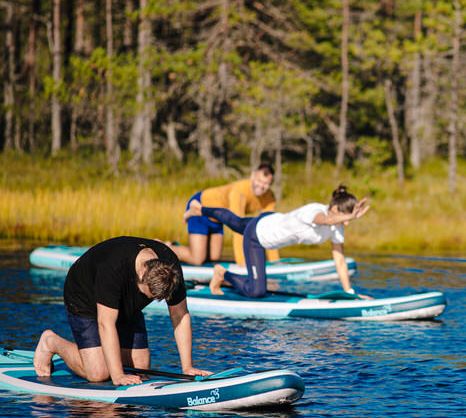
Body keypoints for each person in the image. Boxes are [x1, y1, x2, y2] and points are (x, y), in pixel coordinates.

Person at [33, 237, 211, 386]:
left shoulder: (170, 270)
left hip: (125, 303)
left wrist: (187, 366)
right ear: (143, 272)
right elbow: (105, 323)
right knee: (99, 373)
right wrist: (117, 375)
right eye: (147, 295)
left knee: (141, 369)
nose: (150, 299)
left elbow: (180, 315)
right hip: (84, 295)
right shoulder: (113, 267)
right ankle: (51, 342)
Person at [183, 185, 370, 299]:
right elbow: (323, 220)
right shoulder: (314, 210)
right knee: (256, 291)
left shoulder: (337, 227)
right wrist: (351, 217)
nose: (347, 222)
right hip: (258, 236)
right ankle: (223, 274)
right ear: (335, 208)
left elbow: (339, 260)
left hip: (270, 220)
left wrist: (349, 292)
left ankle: (200, 209)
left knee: (235, 221)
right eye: (346, 217)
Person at [169, 163, 277, 266]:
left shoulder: (269, 197)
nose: (262, 186)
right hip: (199, 207)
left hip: (217, 219)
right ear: (253, 176)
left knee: (214, 258)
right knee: (198, 259)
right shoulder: (239, 191)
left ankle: (176, 246)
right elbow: (238, 226)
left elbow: (269, 227)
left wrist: (274, 262)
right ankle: (163, 247)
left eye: (266, 184)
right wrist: (242, 262)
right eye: (259, 181)